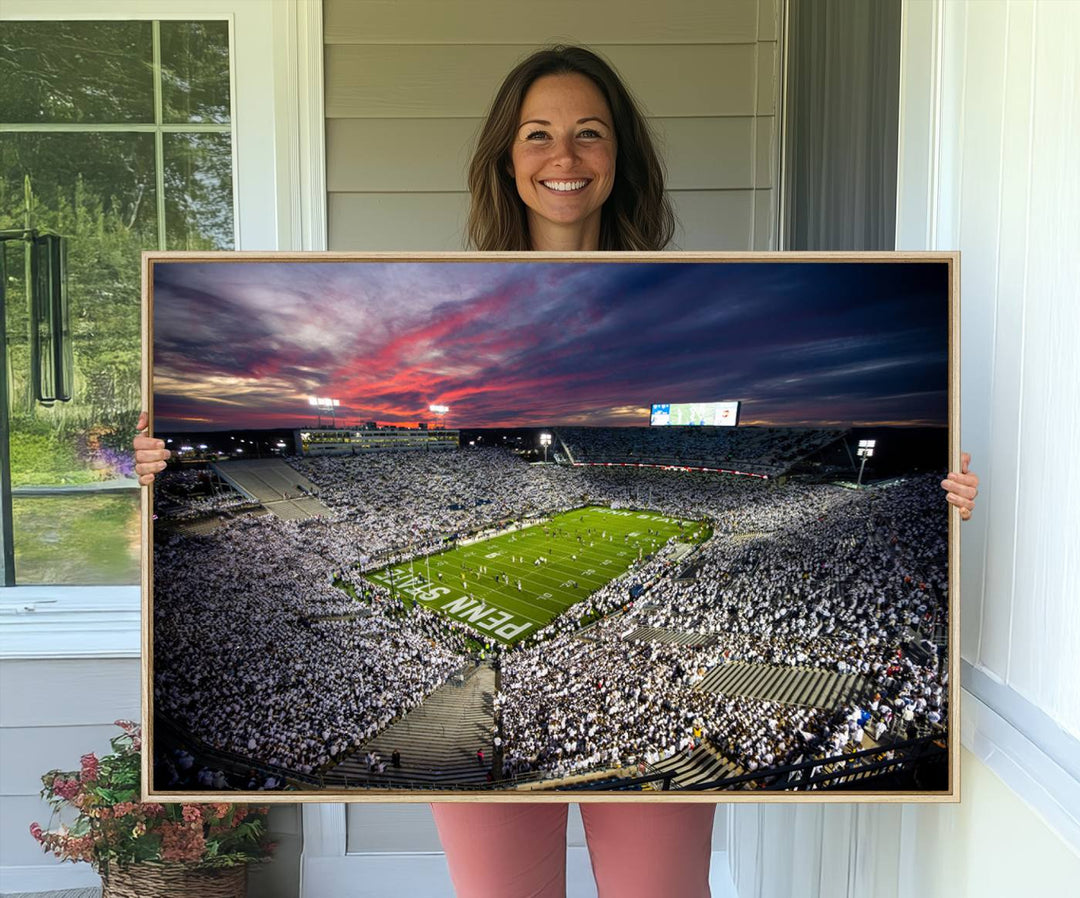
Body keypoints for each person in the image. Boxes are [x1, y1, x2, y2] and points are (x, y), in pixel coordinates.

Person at [134, 44, 979, 898]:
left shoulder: (690, 290)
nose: (563, 157)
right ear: (507, 157)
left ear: (621, 157)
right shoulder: (459, 298)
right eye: (538, 134)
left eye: (589, 133)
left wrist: (941, 497)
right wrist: (154, 466)